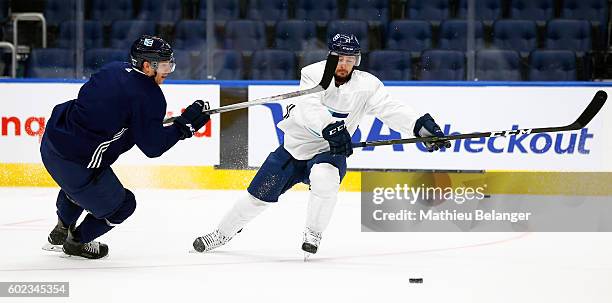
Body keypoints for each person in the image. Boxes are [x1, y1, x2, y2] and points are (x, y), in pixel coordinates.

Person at [192, 33, 450, 258]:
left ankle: (313, 233)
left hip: (329, 152)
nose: (344, 64)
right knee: (256, 198)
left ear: (357, 61)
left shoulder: (368, 85)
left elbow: (390, 109)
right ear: (330, 57)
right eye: (339, 58)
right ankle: (221, 233)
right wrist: (332, 128)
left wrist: (419, 126)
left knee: (324, 178)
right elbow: (309, 108)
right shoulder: (313, 74)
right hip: (295, 148)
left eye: (350, 59)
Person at [41, 35, 210, 259]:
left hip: (51, 143)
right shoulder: (150, 97)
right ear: (147, 65)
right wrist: (184, 127)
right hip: (76, 163)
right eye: (165, 64)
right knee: (124, 205)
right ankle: (77, 242)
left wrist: (142, 123)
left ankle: (61, 229)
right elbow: (153, 147)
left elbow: (110, 110)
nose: (169, 69)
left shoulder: (113, 69)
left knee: (77, 190)